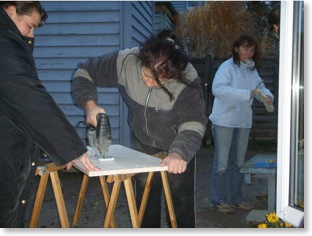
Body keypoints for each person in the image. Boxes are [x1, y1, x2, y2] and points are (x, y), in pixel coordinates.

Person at [72, 29, 208, 227]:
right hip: (143, 141)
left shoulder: (187, 79)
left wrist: (178, 154)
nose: (149, 83)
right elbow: (84, 72)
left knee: (181, 201)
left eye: (158, 80)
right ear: (142, 59)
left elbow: (193, 122)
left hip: (177, 144)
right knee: (144, 203)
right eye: (146, 74)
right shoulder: (127, 61)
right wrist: (90, 105)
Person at [0, 1, 99, 227]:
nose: (32, 35)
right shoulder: (3, 44)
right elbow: (29, 98)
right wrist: (71, 148)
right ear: (10, 11)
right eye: (30, 26)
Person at [209, 34, 274, 214]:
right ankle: (219, 200)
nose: (249, 53)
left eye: (252, 49)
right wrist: (247, 94)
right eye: (246, 48)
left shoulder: (252, 69)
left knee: (238, 163)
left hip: (243, 123)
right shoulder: (226, 67)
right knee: (222, 163)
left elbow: (260, 87)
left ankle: (237, 199)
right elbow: (218, 89)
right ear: (236, 49)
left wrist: (267, 96)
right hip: (224, 121)